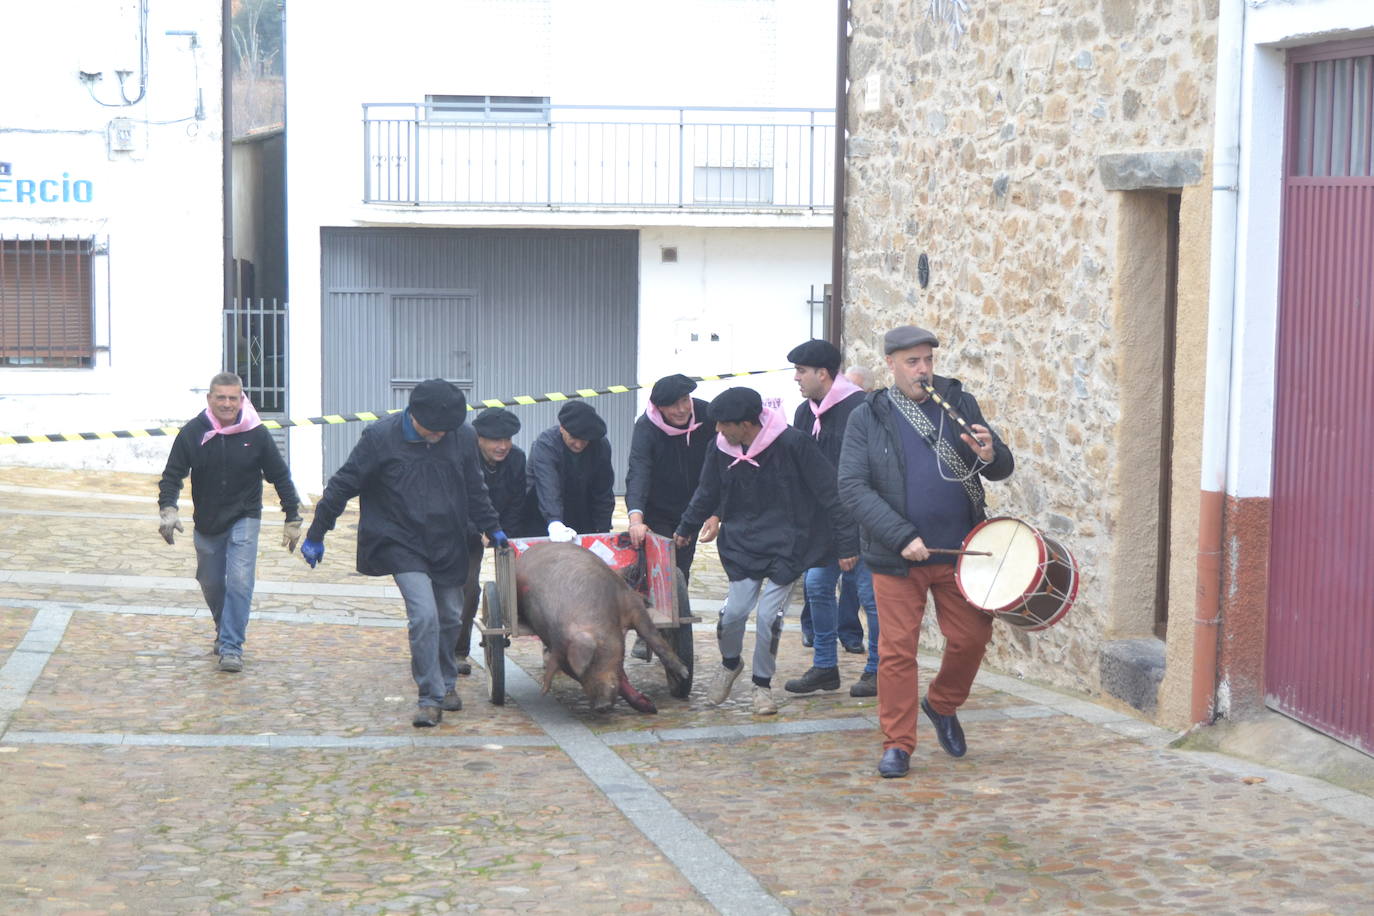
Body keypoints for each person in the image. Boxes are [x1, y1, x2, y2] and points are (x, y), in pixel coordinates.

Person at [838, 326, 1014, 778]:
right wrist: (900, 536)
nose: (923, 370)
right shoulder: (868, 415)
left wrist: (992, 454)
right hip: (898, 556)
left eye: (928, 361)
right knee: (897, 652)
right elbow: (853, 488)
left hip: (960, 552)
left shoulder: (957, 401)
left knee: (972, 638)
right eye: (912, 362)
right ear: (892, 365)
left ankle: (941, 703)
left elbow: (999, 467)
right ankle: (898, 743)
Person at [299, 379, 507, 728]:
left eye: (447, 430)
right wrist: (317, 532)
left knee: (450, 617)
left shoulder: (462, 436)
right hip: (399, 540)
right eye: (435, 429)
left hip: (447, 540)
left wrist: (493, 526)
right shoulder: (380, 438)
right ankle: (430, 698)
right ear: (414, 415)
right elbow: (343, 484)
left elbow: (475, 488)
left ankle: (446, 682)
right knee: (424, 615)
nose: (441, 435)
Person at [675, 386, 846, 716]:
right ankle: (729, 664)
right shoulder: (720, 447)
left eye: (724, 424)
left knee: (770, 617)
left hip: (788, 544)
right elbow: (706, 492)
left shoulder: (794, 443)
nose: (718, 430)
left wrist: (845, 543)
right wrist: (686, 528)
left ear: (746, 424)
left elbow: (830, 493)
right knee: (732, 616)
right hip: (742, 543)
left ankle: (761, 686)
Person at [157, 372, 302, 674]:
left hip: (245, 515)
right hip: (207, 519)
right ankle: (224, 628)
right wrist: (168, 509)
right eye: (220, 397)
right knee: (209, 581)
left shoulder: (256, 433)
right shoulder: (193, 432)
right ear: (209, 399)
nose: (227, 404)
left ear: (241, 399)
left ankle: (232, 646)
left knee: (239, 580)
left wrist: (292, 517)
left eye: (232, 398)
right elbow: (172, 475)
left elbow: (279, 475)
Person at [780, 340, 869, 698]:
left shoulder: (860, 409)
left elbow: (860, 476)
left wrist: (850, 536)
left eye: (801, 372)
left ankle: (877, 669)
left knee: (869, 595)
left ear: (823, 373)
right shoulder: (805, 413)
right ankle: (825, 667)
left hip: (860, 523)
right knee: (817, 586)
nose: (796, 379)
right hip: (822, 525)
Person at [624, 373, 715, 659]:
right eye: (673, 405)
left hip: (694, 507)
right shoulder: (646, 426)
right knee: (654, 567)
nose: (681, 410)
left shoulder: (707, 416)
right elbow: (639, 470)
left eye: (685, 401)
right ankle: (646, 630)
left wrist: (715, 512)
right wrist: (636, 517)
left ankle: (670, 631)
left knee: (680, 572)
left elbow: (721, 463)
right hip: (657, 507)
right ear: (659, 407)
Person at [455, 406, 529, 677]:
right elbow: (459, 501)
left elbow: (518, 500)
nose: (503, 446)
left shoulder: (517, 459)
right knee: (467, 587)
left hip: (498, 528)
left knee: (514, 577)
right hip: (460, 529)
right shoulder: (463, 458)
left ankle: (500, 624)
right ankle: (457, 651)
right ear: (479, 439)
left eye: (507, 439)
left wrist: (503, 532)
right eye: (496, 440)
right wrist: (478, 531)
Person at [521, 400, 615, 540]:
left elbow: (603, 491)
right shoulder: (546, 445)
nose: (578, 445)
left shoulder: (600, 445)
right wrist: (555, 522)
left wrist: (603, 530)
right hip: (540, 514)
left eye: (584, 440)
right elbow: (548, 486)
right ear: (562, 428)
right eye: (574, 438)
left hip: (581, 509)